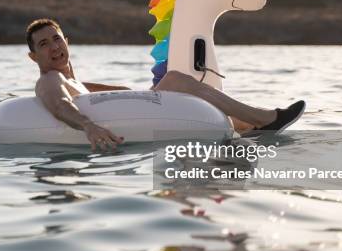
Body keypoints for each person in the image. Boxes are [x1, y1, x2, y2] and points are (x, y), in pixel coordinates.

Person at [27, 18, 305, 151]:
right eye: (43, 44)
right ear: (33, 56)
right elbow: (58, 102)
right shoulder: (51, 79)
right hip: (113, 136)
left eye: (57, 38)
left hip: (133, 121)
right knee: (174, 78)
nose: (53, 47)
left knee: (173, 80)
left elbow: (121, 94)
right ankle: (262, 118)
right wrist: (89, 126)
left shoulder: (75, 80)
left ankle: (250, 126)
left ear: (67, 41)